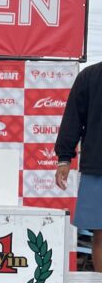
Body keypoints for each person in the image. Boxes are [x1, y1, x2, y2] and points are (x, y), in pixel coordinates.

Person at [55, 61, 102, 271]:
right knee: (101, 234)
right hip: (98, 167)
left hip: (96, 165)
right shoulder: (90, 75)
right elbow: (73, 118)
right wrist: (64, 158)